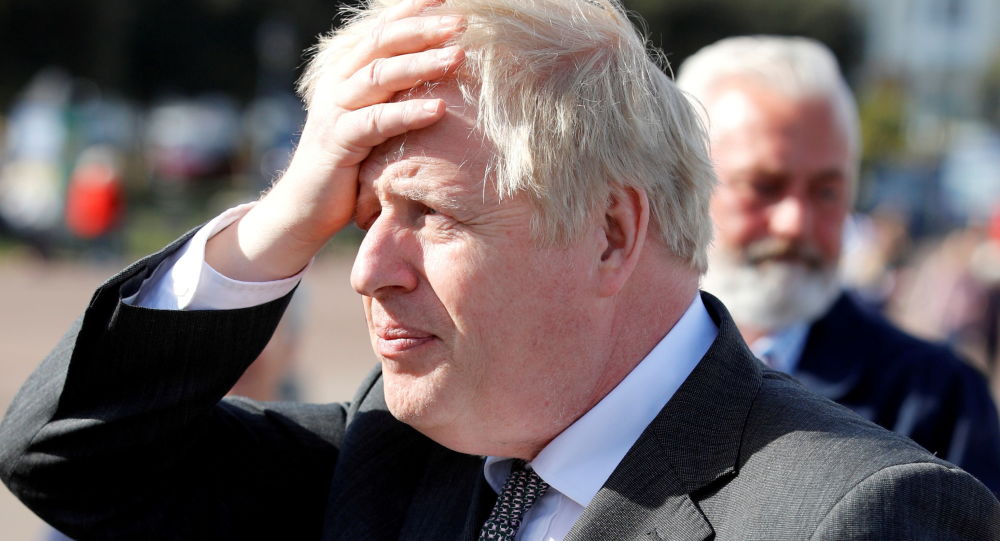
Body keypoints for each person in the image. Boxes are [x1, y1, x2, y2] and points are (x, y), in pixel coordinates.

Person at [1, 1, 997, 539]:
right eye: (360, 215)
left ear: (610, 232)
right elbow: (67, 458)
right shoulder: (396, 451)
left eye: (428, 213)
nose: (366, 270)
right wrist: (281, 217)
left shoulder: (861, 514)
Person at [676, 35, 1000, 494]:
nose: (795, 223)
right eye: (764, 186)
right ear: (683, 185)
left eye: (826, 191)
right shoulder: (618, 370)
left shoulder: (934, 400)